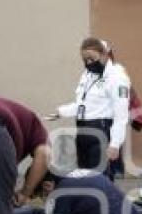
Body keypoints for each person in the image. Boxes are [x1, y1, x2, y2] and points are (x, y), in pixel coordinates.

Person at [51, 37, 130, 180]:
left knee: (100, 181)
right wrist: (61, 112)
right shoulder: (87, 76)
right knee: (84, 179)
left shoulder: (117, 78)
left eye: (92, 59)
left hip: (101, 133)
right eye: (85, 60)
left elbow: (121, 115)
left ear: (104, 55)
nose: (88, 63)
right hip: (83, 132)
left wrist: (115, 144)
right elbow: (83, 105)